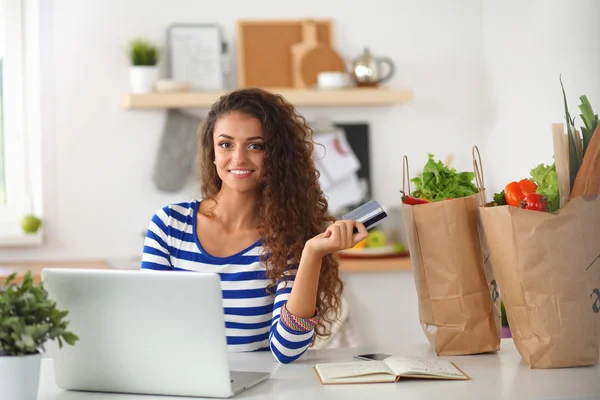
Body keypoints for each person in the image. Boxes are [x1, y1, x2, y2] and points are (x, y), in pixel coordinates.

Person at [140, 88, 368, 364]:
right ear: (212, 151)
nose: (238, 158)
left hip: (258, 388)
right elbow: (148, 326)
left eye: (255, 146)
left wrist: (312, 253)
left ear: (276, 157)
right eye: (226, 144)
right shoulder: (168, 225)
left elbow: (286, 350)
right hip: (179, 381)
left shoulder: (287, 238)